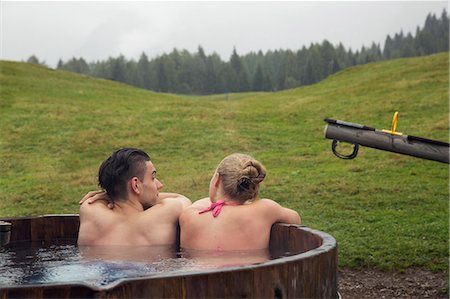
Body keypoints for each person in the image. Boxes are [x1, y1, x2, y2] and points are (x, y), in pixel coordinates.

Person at [179, 153, 300, 251]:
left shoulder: (190, 216)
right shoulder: (265, 210)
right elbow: (295, 220)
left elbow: (206, 203)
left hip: (201, 278)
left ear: (216, 179)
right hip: (249, 278)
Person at [78, 148, 191, 246]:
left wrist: (113, 193)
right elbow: (182, 199)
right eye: (153, 177)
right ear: (136, 185)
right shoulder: (164, 213)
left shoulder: (90, 208)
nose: (159, 185)